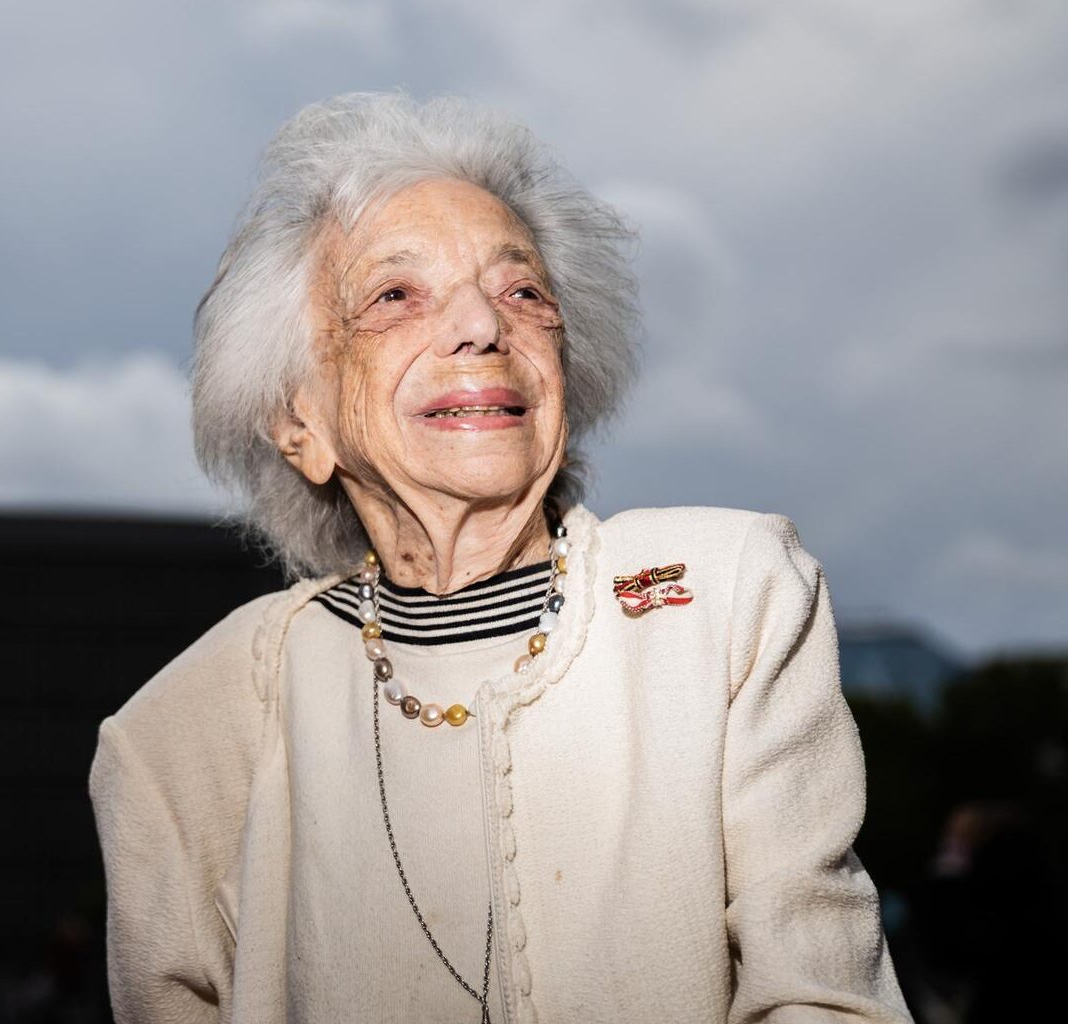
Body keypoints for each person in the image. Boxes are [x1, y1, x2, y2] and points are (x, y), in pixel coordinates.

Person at [88, 92, 910, 1024]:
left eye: (523, 291)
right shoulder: (185, 734)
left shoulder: (725, 593)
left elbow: (823, 993)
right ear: (298, 423)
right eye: (395, 296)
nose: (484, 324)